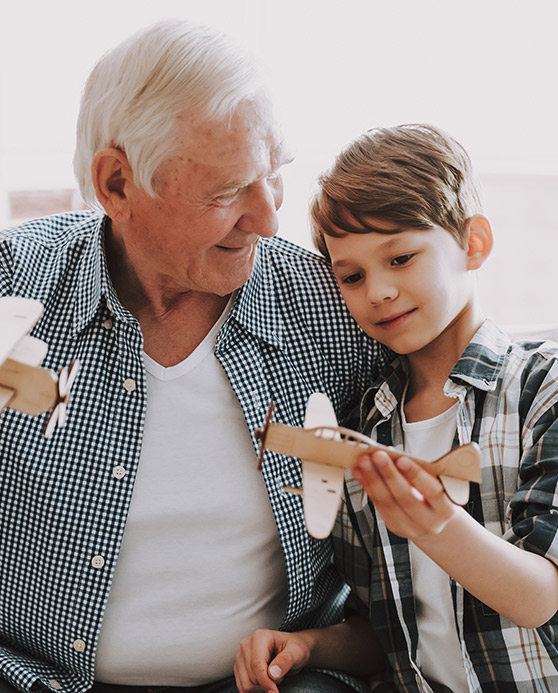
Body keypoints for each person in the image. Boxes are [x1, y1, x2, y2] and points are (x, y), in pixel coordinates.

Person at [0, 20, 391, 693]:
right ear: (117, 184)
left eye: (275, 176)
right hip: (34, 675)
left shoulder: (335, 310)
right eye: (228, 190)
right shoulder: (14, 281)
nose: (268, 219)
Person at [235, 124, 558, 692]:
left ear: (473, 243)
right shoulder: (361, 428)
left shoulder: (543, 388)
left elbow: (540, 596)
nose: (377, 292)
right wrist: (309, 645)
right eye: (352, 276)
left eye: (401, 258)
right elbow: (386, 632)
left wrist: (435, 524)